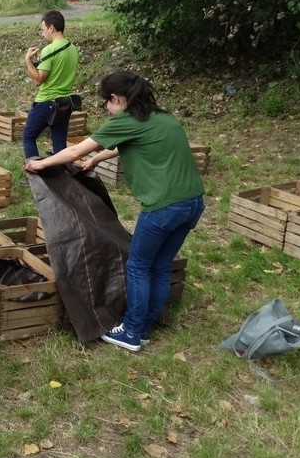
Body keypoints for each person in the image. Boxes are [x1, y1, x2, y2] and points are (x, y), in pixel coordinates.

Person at [24, 70, 205, 352]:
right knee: (159, 265)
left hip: (162, 208)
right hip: (193, 203)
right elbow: (133, 142)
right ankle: (148, 325)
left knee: (138, 265)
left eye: (106, 104)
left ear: (116, 98)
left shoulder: (126, 120)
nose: (107, 110)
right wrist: (99, 157)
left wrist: (39, 165)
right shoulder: (163, 118)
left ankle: (132, 332)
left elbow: (73, 152)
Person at [22, 10, 78, 159]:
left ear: (51, 28)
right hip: (65, 103)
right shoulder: (73, 49)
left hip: (47, 102)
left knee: (28, 136)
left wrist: (28, 61)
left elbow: (38, 80)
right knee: (59, 144)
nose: (42, 33)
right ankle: (63, 176)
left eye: (43, 29)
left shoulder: (49, 50)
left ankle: (36, 173)